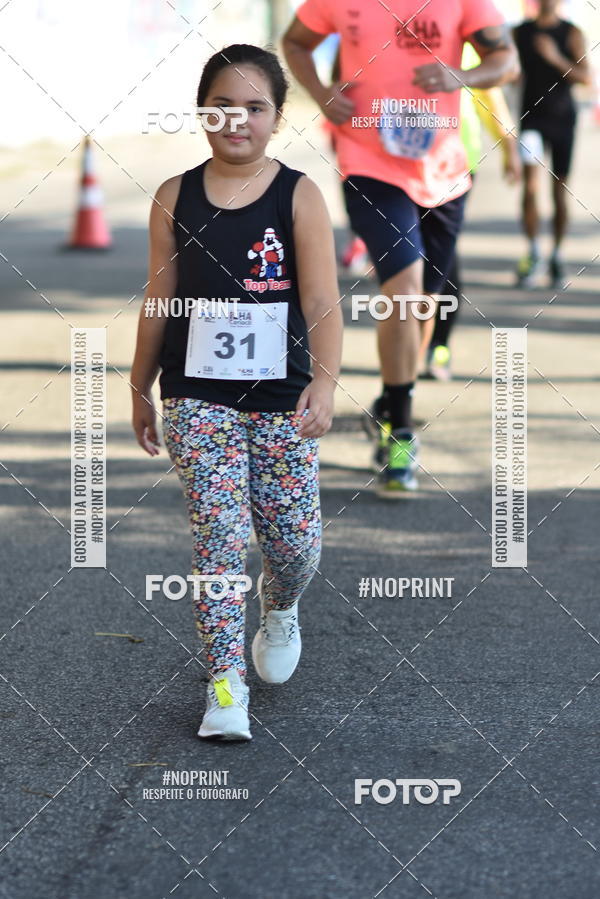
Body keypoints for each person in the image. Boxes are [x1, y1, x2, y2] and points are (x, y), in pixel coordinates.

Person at [130, 44, 342, 741]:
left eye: (254, 107)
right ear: (202, 111)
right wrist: (139, 384)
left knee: (294, 543)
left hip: (283, 397)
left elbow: (321, 299)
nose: (237, 120)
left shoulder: (298, 195)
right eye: (223, 105)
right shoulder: (174, 196)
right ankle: (225, 683)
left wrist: (325, 380)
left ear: (277, 117)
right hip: (196, 395)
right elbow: (160, 299)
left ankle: (279, 607)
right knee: (219, 537)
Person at [283, 1, 519, 496]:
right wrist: (322, 93)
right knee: (405, 292)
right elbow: (295, 41)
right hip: (368, 160)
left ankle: (391, 401)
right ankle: (402, 433)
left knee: (424, 305)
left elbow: (507, 62)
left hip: (444, 169)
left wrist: (460, 76)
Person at [424, 42, 521, 381]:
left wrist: (509, 147)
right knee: (409, 258)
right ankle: (410, 344)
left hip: (456, 167)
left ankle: (438, 345)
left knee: (442, 256)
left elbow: (491, 102)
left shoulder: (464, 48)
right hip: (403, 167)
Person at [513, 0, 590, 288]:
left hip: (562, 122)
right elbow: (509, 69)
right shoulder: (520, 32)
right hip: (532, 120)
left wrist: (555, 57)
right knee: (530, 188)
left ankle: (557, 254)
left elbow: (585, 77)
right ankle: (533, 252)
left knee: (559, 191)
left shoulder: (571, 33)